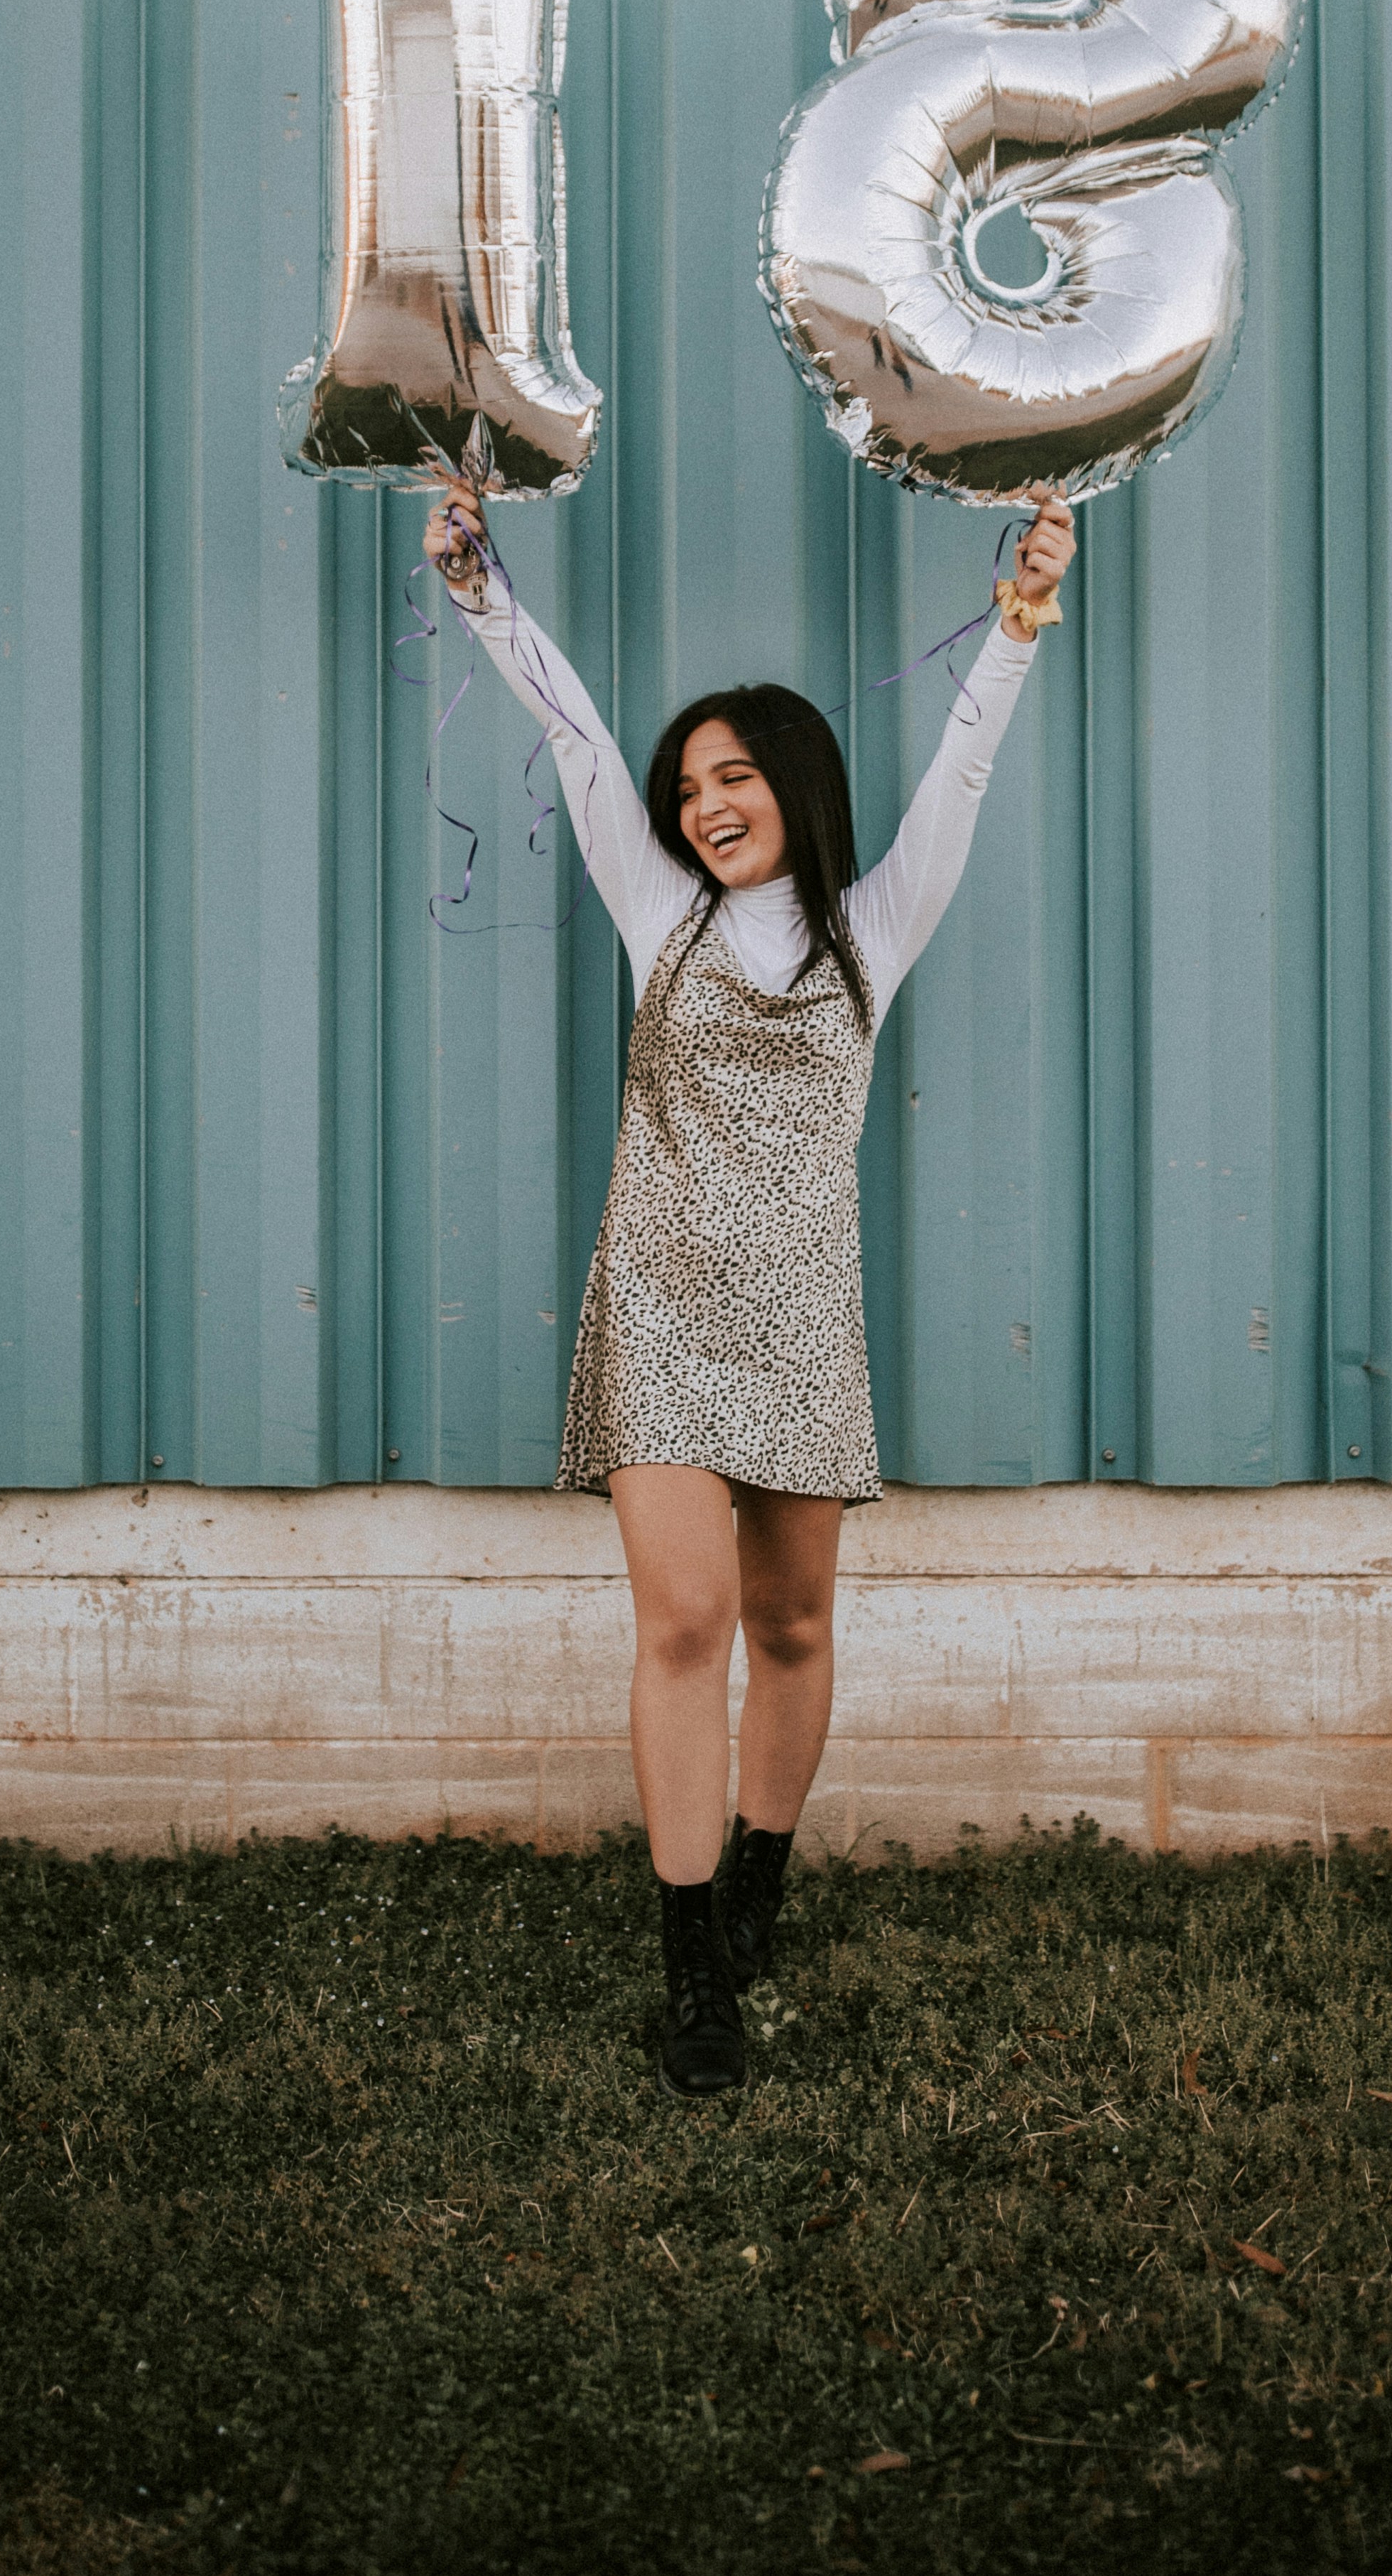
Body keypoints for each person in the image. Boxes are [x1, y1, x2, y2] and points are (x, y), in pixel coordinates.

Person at [421, 480, 1077, 2099]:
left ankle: (760, 1890)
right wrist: (478, 583)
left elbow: (965, 769)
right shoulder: (660, 915)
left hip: (800, 1323)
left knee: (788, 1623)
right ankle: (693, 1967)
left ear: (794, 780)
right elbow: (574, 736)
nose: (704, 804)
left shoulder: (873, 929)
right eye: (689, 787)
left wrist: (1018, 614)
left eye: (734, 776)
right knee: (687, 1619)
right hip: (658, 1308)